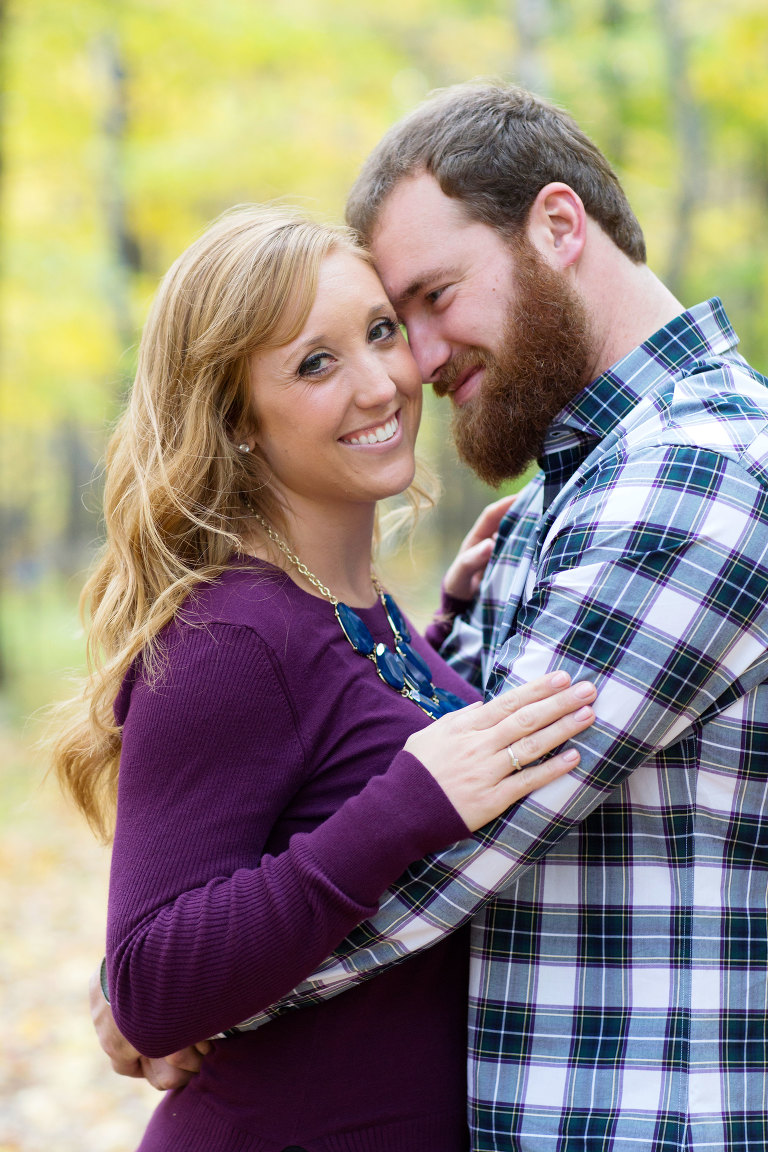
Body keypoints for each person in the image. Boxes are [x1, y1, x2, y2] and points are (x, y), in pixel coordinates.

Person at [153, 83, 768, 1150]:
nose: (418, 363)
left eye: (434, 299)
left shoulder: (699, 475)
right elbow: (415, 762)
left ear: (560, 226)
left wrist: (191, 997)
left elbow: (464, 840)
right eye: (400, 321)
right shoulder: (559, 498)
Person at [54, 203, 598, 1151]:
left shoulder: (356, 613)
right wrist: (404, 807)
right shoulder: (233, 633)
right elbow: (145, 987)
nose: (384, 382)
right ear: (236, 422)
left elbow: (332, 748)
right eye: (316, 363)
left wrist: (453, 632)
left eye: (381, 331)